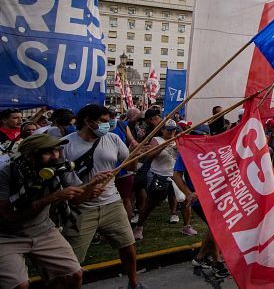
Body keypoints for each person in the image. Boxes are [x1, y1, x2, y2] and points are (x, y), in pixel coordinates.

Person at [0, 134, 107, 289]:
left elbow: (77, 199)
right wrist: (53, 197)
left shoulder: (59, 166)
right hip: (6, 236)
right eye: (48, 152)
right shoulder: (6, 173)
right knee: (19, 285)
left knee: (73, 275)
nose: (55, 156)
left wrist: (91, 186)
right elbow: (9, 214)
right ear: (30, 155)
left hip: (43, 230)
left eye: (57, 150)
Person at [61, 104, 148, 289]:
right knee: (71, 261)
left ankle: (134, 283)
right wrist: (87, 189)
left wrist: (135, 155)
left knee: (128, 246)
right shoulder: (67, 145)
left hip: (112, 202)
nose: (107, 126)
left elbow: (130, 167)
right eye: (103, 121)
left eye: (109, 122)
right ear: (88, 121)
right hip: (82, 209)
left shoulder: (113, 139)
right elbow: (69, 187)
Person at [172, 124, 230, 279]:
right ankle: (217, 262)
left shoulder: (213, 149)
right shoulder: (185, 152)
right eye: (195, 135)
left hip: (216, 198)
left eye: (201, 135)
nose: (198, 138)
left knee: (216, 228)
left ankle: (200, 257)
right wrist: (189, 194)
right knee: (217, 228)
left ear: (207, 136)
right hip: (199, 199)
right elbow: (176, 175)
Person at [132, 119, 180, 240]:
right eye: (168, 130)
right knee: (151, 204)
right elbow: (149, 156)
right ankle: (139, 226)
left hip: (174, 175)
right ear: (162, 130)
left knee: (180, 200)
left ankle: (185, 224)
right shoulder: (156, 140)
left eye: (173, 129)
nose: (171, 132)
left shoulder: (177, 139)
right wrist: (162, 146)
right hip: (158, 175)